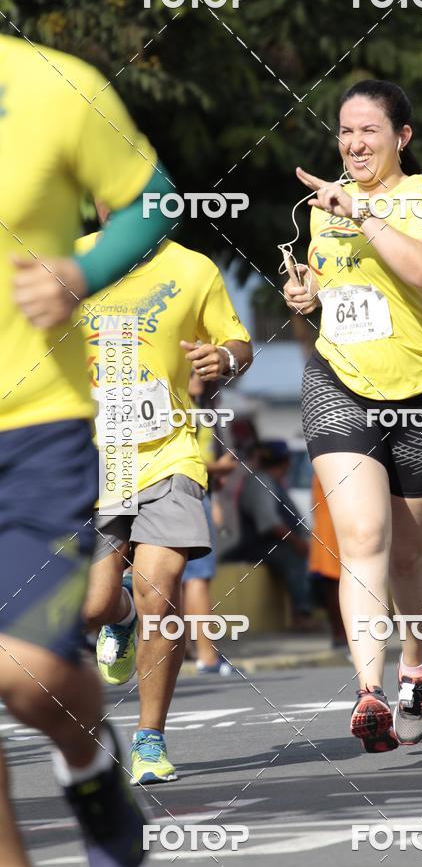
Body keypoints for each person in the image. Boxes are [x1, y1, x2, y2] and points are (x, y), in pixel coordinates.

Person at [0, 33, 175, 866]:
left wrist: (82, 267)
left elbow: (154, 199)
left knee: (25, 668)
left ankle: (90, 759)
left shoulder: (55, 83)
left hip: (38, 423)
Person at [283, 79, 422, 752]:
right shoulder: (322, 208)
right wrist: (306, 292)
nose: (354, 144)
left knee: (411, 552)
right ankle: (370, 690)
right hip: (342, 384)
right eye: (344, 131)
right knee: (362, 536)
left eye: (369, 131)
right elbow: (333, 284)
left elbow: (421, 272)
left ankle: (416, 665)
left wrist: (360, 212)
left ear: (402, 138)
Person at [81, 212, 252, 785]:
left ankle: (149, 741)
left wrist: (224, 358)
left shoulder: (192, 268)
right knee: (96, 603)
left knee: (162, 592)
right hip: (95, 456)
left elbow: (238, 341)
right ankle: (118, 617)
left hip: (169, 452)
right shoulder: (68, 260)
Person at [182, 372, 238, 677]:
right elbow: (179, 459)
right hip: (189, 494)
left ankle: (185, 652)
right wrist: (221, 466)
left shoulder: (198, 407)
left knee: (175, 579)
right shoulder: (181, 408)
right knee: (198, 578)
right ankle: (207, 655)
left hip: (196, 494)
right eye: (193, 373)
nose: (200, 380)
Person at [225, 441, 314, 630]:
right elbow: (270, 523)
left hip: (272, 542)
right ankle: (302, 615)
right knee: (293, 557)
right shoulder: (261, 482)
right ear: (287, 462)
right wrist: (298, 542)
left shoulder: (275, 481)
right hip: (260, 544)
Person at [309, 474, 347, 649]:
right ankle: (340, 633)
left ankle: (342, 633)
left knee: (337, 583)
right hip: (331, 532)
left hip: (333, 530)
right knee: (334, 584)